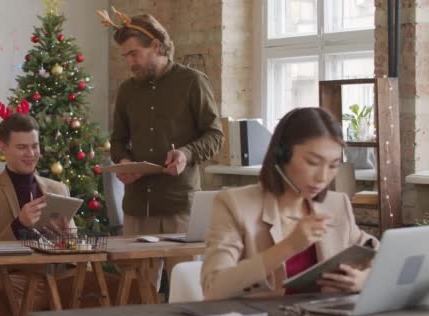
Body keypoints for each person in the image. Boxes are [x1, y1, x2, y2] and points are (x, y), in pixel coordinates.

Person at [201, 107, 379, 300]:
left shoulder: (336, 205)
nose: (323, 177)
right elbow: (213, 289)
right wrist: (289, 247)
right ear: (281, 155)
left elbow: (382, 258)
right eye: (312, 162)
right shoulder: (234, 205)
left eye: (333, 165)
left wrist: (364, 280)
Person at [108, 11, 223, 290]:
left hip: (179, 207)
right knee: (137, 294)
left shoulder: (193, 82)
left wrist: (186, 153)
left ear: (157, 46)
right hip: (137, 208)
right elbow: (118, 140)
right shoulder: (126, 91)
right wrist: (123, 161)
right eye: (125, 56)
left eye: (134, 54)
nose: (129, 62)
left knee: (188, 289)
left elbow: (215, 135)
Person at [0, 113, 75, 316]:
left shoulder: (58, 189)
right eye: (22, 147)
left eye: (35, 146)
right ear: (3, 148)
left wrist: (67, 236)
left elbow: (75, 246)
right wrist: (18, 225)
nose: (31, 154)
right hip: (14, 279)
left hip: (61, 277)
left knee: (133, 288)